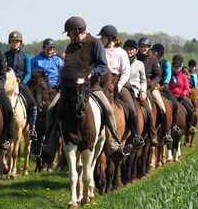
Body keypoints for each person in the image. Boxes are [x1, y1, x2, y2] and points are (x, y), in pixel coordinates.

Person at [40, 16, 132, 165]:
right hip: (71, 89)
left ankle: (114, 147)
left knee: (108, 110)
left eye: (69, 33)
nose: (68, 36)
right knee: (51, 109)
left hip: (91, 87)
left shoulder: (95, 44)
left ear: (77, 31)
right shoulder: (70, 47)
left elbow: (102, 67)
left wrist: (91, 73)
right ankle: (49, 149)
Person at [99, 25, 144, 148]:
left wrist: (118, 86)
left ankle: (136, 136)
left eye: (102, 37)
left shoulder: (121, 53)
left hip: (119, 83)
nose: (101, 39)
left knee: (132, 107)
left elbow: (126, 72)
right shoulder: (100, 51)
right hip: (101, 83)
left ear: (110, 38)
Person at [137, 37, 172, 145]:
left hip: (151, 87)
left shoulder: (153, 59)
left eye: (146, 47)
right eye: (142, 47)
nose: (143, 49)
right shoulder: (135, 57)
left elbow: (158, 74)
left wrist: (152, 84)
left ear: (148, 48)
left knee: (162, 107)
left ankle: (166, 133)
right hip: (136, 86)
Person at [4, 31, 38, 140]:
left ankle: (32, 128)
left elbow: (28, 73)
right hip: (8, 85)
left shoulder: (25, 56)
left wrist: (23, 83)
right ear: (10, 42)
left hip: (22, 84)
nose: (15, 43)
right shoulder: (5, 56)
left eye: (17, 41)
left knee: (33, 102)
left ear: (20, 43)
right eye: (13, 41)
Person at [123, 39, 156, 145]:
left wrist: (143, 92)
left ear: (135, 51)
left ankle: (152, 134)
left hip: (137, 91)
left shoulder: (139, 64)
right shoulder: (121, 62)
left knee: (148, 110)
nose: (129, 51)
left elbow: (143, 80)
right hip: (124, 89)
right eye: (127, 49)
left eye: (131, 49)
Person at [151, 43, 181, 135]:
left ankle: (174, 125)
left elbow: (168, 74)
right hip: (151, 87)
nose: (152, 53)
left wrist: (165, 83)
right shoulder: (150, 60)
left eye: (154, 51)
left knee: (175, 103)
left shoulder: (166, 63)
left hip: (163, 87)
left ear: (160, 53)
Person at [168, 59, 197, 135]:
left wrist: (182, 94)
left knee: (190, 110)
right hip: (171, 97)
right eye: (174, 67)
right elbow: (167, 86)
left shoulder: (184, 76)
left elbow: (186, 88)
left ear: (181, 68)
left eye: (177, 68)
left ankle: (190, 127)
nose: (176, 69)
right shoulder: (169, 76)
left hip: (181, 96)